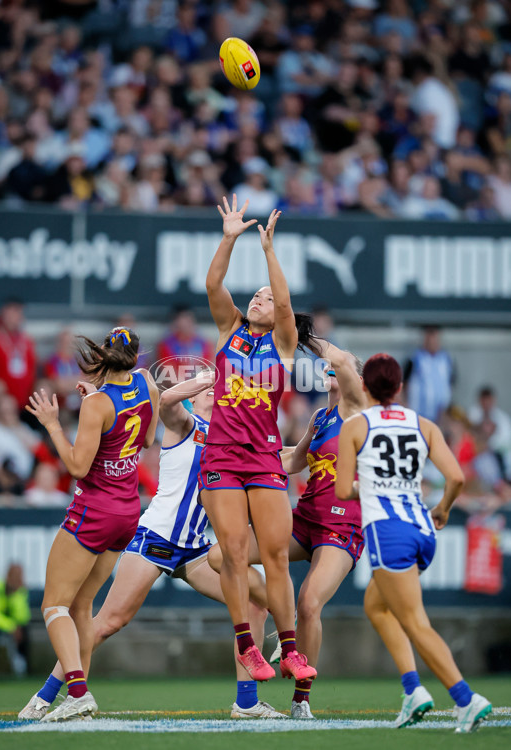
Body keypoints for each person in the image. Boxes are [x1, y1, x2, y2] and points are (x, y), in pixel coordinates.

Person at [19, 372, 285, 721]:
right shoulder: (183, 422)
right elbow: (166, 400)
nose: (213, 393)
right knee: (108, 621)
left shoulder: (230, 439)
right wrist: (206, 376)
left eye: (216, 390)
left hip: (195, 549)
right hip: (156, 538)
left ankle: (247, 702)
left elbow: (278, 456)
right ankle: (46, 695)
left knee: (254, 601)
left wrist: (309, 443)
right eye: (208, 389)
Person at [336, 353, 492, 734]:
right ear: (401, 387)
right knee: (376, 606)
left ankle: (466, 699)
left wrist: (370, 487)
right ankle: (412, 691)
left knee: (416, 623)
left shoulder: (355, 426)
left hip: (389, 533)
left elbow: (342, 490)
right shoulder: (424, 424)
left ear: (364, 387)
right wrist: (441, 509)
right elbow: (455, 477)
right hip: (422, 528)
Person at [209, 346, 366, 718]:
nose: (329, 368)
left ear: (356, 380)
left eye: (338, 367)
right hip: (306, 517)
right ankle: (283, 618)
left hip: (342, 524)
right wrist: (236, 456)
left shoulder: (359, 412)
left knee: (310, 603)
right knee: (219, 557)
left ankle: (301, 699)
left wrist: (310, 338)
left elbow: (340, 361)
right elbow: (294, 461)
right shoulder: (322, 416)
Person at [200, 195, 317, 684]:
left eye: (266, 298)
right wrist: (229, 239)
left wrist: (269, 250)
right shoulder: (230, 329)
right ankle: (247, 645)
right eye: (257, 295)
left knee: (273, 555)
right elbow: (213, 283)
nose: (259, 299)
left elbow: (286, 304)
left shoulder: (284, 343)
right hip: (222, 456)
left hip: (265, 457)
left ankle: (289, 650)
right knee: (231, 551)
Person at [24, 326, 159, 722]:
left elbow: (78, 466)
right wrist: (97, 407)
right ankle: (61, 695)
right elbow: (147, 439)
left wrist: (52, 424)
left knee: (54, 606)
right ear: (135, 358)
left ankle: (79, 693)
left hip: (94, 509)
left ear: (103, 354)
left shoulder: (97, 403)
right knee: (82, 605)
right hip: (127, 511)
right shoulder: (145, 384)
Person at [403, 326, 454, 424]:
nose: (433, 342)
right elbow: (405, 383)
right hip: (418, 414)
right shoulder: (414, 358)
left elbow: (450, 383)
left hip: (440, 416)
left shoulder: (446, 359)